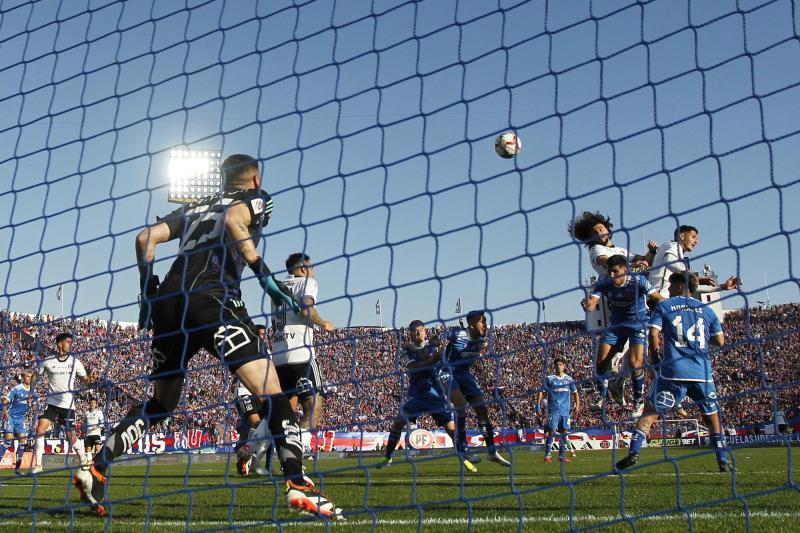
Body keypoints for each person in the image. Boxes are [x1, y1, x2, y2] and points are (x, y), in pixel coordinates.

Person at [73, 154, 341, 519]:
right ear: (254, 177)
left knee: (161, 405)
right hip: (214, 300)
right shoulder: (257, 197)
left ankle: (98, 467)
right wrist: (262, 273)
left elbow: (144, 238)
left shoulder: (195, 206)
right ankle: (298, 484)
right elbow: (233, 220)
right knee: (273, 390)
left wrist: (146, 292)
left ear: (221, 177)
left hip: (169, 305)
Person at [616, 272, 734, 473]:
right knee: (712, 418)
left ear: (681, 286)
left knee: (650, 412)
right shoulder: (706, 310)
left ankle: (634, 453)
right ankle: (723, 460)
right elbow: (720, 341)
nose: (668, 290)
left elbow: (653, 331)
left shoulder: (665, 306)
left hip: (673, 371)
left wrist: (655, 357)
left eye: (671, 285)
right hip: (701, 373)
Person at [377, 320, 477, 472]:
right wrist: (430, 358)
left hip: (435, 395)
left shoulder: (430, 346)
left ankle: (465, 457)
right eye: (415, 331)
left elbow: (431, 360)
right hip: (417, 395)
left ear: (425, 331)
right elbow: (414, 367)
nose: (418, 334)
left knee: (451, 430)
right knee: (398, 423)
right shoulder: (406, 350)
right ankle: (388, 457)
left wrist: (429, 357)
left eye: (421, 330)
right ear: (410, 333)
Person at [581, 255, 664, 417]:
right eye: (609, 271)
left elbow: (657, 298)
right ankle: (602, 398)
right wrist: (586, 305)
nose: (611, 275)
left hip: (638, 325)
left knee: (635, 363)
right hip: (616, 326)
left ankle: (638, 401)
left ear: (625, 271)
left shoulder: (638, 281)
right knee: (601, 362)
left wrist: (667, 307)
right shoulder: (604, 282)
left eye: (615, 271)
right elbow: (591, 307)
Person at [271, 253, 334, 458]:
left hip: (279, 358)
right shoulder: (307, 282)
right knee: (314, 407)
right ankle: (301, 448)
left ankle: (253, 450)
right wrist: (323, 323)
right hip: (301, 356)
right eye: (312, 268)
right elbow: (307, 308)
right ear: (303, 269)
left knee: (284, 413)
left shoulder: (278, 286)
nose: (313, 272)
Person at [439, 310, 511, 467]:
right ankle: (463, 449)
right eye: (481, 321)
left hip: (465, 375)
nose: (485, 324)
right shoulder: (457, 334)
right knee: (461, 405)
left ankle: (492, 451)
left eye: (485, 321)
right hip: (447, 373)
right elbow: (438, 341)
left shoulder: (480, 340)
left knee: (482, 411)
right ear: (471, 324)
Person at [32, 333, 95, 473]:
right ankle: (38, 464)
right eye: (68, 342)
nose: (70, 345)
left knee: (70, 437)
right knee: (40, 429)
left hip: (68, 405)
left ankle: (83, 459)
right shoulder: (47, 361)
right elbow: (36, 375)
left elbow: (85, 380)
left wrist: (90, 379)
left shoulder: (75, 362)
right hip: (52, 403)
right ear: (60, 344)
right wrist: (31, 392)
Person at [649, 225, 738, 298]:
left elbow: (691, 288)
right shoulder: (673, 245)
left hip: (664, 303)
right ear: (682, 236)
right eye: (693, 237)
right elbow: (669, 262)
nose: (696, 242)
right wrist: (694, 276)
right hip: (658, 302)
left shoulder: (678, 259)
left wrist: (722, 287)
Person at [568, 211, 659, 276]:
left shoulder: (620, 250)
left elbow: (645, 260)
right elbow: (608, 261)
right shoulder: (596, 249)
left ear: (607, 229)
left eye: (600, 229)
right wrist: (632, 265)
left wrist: (651, 251)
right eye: (595, 233)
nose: (599, 234)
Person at [536, 357, 579, 463]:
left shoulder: (569, 380)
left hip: (565, 411)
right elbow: (541, 391)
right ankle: (547, 456)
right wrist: (537, 405)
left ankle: (561, 456)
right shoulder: (549, 379)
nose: (558, 366)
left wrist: (577, 406)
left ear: (564, 366)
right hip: (553, 410)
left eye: (560, 364)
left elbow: (575, 393)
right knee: (552, 431)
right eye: (556, 364)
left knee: (564, 433)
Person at [1, 369, 34, 473]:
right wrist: (5, 413)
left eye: (30, 377)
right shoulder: (16, 389)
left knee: (22, 441)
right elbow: (5, 401)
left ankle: (18, 468)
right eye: (27, 377)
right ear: (23, 378)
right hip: (10, 416)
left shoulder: (32, 391)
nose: (29, 379)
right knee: (8, 439)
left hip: (21, 418)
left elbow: (34, 406)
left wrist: (33, 406)